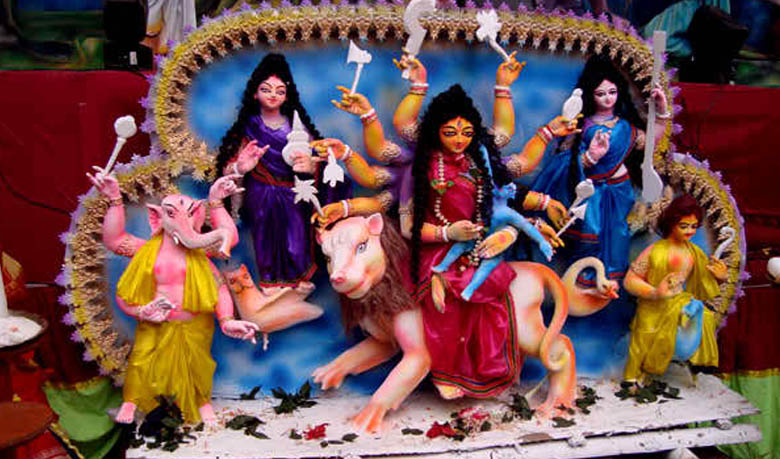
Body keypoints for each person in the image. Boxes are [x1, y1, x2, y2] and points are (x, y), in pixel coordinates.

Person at [214, 53, 349, 293]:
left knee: (297, 241)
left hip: (293, 193)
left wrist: (310, 166)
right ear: (255, 94)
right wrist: (240, 167)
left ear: (287, 96)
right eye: (266, 89)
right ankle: (272, 283)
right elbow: (229, 171)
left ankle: (298, 280)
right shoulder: (248, 127)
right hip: (261, 193)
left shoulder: (297, 125)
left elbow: (317, 159)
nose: (273, 95)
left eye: (280, 90)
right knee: (266, 240)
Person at [531, 54, 669, 287]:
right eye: (601, 93)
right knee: (590, 236)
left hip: (620, 191)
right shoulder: (581, 126)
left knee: (617, 235)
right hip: (591, 193)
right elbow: (563, 160)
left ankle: (609, 282)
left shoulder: (625, 127)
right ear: (590, 95)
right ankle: (582, 282)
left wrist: (662, 112)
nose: (607, 98)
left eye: (612, 92)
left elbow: (650, 142)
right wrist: (590, 157)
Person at [622, 194, 727, 384]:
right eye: (684, 226)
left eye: (694, 226)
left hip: (678, 303)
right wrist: (655, 293)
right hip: (652, 305)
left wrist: (720, 278)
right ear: (672, 223)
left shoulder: (694, 253)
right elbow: (630, 280)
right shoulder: (655, 251)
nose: (690, 231)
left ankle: (683, 367)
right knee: (642, 341)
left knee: (704, 317)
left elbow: (705, 285)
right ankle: (631, 378)